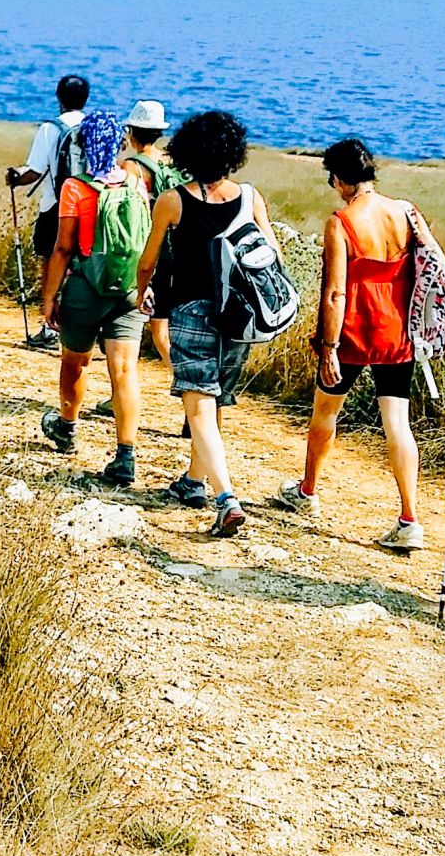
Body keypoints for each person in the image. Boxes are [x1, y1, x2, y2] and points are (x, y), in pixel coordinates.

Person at [272, 137, 427, 552]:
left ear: (339, 178)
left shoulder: (341, 222)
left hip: (355, 331)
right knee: (397, 422)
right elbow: (431, 263)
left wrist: (328, 346)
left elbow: (335, 294)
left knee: (325, 411)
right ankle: (409, 517)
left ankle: (308, 491)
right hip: (398, 331)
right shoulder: (406, 212)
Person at [132, 110, 274, 535]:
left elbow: (148, 261)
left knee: (198, 404)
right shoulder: (251, 198)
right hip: (238, 316)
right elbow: (272, 257)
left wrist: (143, 293)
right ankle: (194, 481)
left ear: (188, 151)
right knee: (215, 405)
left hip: (191, 310)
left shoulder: (173, 200)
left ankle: (227, 497)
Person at [35, 110, 151, 486]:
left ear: (83, 144)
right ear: (120, 143)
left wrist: (49, 297)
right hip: (129, 288)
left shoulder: (76, 187)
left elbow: (64, 247)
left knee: (75, 362)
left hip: (86, 286)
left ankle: (68, 428)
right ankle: (126, 455)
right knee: (124, 371)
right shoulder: (136, 184)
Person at [5, 75, 89, 350]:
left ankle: (50, 328)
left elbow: (35, 171)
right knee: (84, 267)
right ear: (85, 98)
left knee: (51, 264)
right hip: (90, 207)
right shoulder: (94, 127)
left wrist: (15, 179)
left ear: (59, 97)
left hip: (55, 206)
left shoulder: (49, 129)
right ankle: (85, 326)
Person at [122, 100, 183, 369]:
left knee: (159, 332)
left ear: (132, 132)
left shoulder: (131, 168)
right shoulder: (172, 163)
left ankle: (188, 387)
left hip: (151, 249)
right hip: (181, 250)